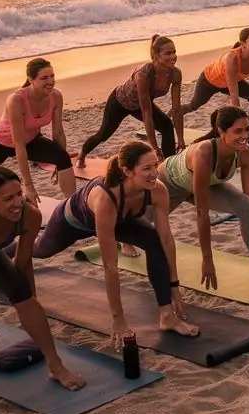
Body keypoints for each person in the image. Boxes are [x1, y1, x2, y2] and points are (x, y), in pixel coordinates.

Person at [33, 141, 198, 349]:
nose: (154, 173)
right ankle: (10, 250)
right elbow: (110, 267)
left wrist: (174, 286)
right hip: (72, 222)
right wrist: (118, 319)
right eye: (146, 168)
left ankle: (167, 316)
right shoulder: (106, 198)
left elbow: (166, 239)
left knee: (153, 240)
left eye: (155, 165)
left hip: (120, 221)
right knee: (40, 251)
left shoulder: (157, 190)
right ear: (127, 171)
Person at [158, 106, 249, 294]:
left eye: (247, 129)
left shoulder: (245, 154)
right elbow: (201, 212)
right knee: (142, 223)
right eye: (237, 131)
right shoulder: (204, 153)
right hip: (169, 184)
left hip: (206, 185)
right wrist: (207, 259)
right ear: (221, 131)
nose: (245, 136)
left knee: (244, 204)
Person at [0, 168, 84, 390]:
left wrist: (30, 301)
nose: (17, 202)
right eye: (8, 198)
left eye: (19, 194)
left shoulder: (29, 215)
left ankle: (56, 366)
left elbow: (22, 262)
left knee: (21, 292)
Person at [78, 35, 184, 167]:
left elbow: (177, 109)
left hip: (140, 105)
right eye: (168, 53)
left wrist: (181, 140)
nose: (173, 56)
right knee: (103, 135)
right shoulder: (143, 75)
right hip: (120, 102)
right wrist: (155, 149)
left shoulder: (175, 74)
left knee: (166, 125)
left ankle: (169, 165)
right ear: (156, 55)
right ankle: (81, 155)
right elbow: (147, 114)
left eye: (174, 52)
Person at [0, 58, 75, 206]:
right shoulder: (16, 100)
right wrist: (28, 186)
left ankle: (73, 205)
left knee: (62, 157)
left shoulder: (56, 96)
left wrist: (60, 164)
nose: (51, 81)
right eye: (44, 78)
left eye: (52, 76)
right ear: (31, 80)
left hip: (31, 140)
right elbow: (19, 145)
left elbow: (58, 133)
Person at [183, 28, 249, 115]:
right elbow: (233, 89)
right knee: (193, 106)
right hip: (210, 81)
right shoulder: (231, 57)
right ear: (243, 44)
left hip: (229, 82)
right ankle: (172, 115)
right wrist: (238, 112)